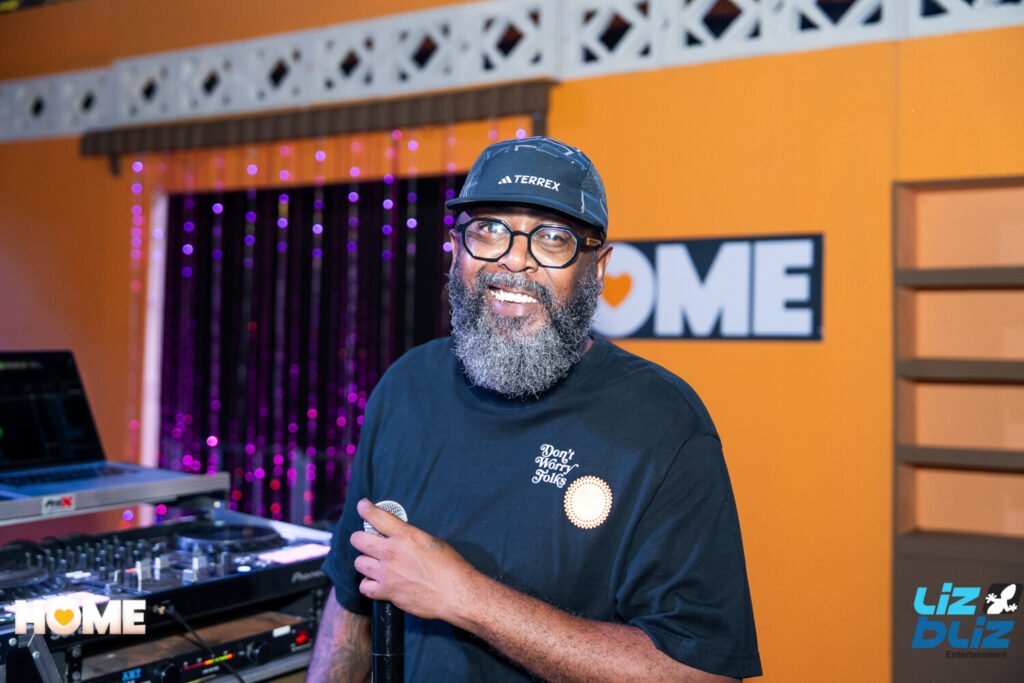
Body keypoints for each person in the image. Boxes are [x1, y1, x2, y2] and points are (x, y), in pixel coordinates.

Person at [308, 136, 762, 681]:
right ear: (455, 249)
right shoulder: (406, 387)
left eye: (551, 238)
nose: (514, 259)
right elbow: (351, 607)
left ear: (598, 267)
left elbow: (704, 673)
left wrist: (465, 596)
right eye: (489, 230)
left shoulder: (665, 424)